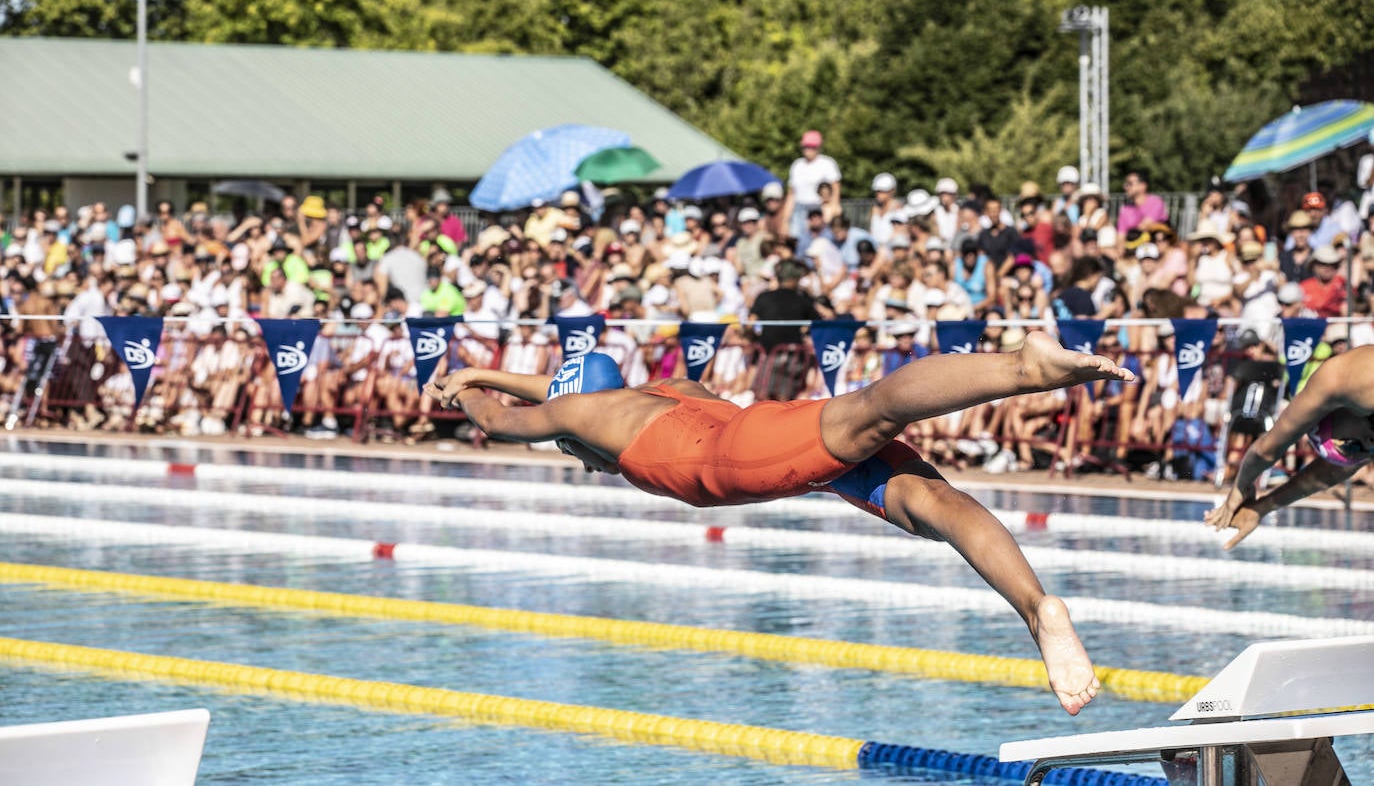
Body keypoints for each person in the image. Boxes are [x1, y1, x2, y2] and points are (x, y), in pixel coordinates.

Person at [427, 335, 1138, 715]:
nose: (579, 461)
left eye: (570, 451)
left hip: (744, 461)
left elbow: (501, 423)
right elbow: (569, 391)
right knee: (937, 506)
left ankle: (1021, 366)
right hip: (773, 445)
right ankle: (1039, 608)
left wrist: (464, 389)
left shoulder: (583, 417)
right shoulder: (662, 390)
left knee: (874, 408)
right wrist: (485, 371)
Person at [1207, 346, 1374, 550]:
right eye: (1363, 453)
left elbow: (1265, 450)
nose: (1369, 447)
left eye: (1350, 446)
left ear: (1329, 415)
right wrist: (1261, 507)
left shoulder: (1340, 381)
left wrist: (1241, 485)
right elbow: (1331, 472)